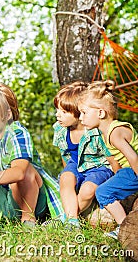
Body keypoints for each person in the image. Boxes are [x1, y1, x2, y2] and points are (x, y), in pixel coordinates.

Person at [0, 81, 63, 225]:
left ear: (7, 115)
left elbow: (19, 173)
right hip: (0, 200)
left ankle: (28, 221)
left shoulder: (17, 133)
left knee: (26, 169)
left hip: (28, 200)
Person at [79, 80, 138, 239]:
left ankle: (124, 227)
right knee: (109, 186)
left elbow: (133, 157)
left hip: (135, 170)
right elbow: (117, 162)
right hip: (129, 170)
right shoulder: (106, 133)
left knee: (103, 192)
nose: (80, 118)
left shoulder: (115, 132)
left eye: (84, 112)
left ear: (100, 113)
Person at [52, 81, 114, 229]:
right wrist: (69, 174)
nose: (57, 115)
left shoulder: (96, 131)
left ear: (79, 112)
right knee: (66, 178)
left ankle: (66, 217)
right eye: (57, 110)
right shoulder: (60, 130)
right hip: (75, 164)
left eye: (64, 112)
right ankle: (72, 221)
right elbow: (64, 155)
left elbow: (111, 157)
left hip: (99, 167)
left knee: (87, 190)